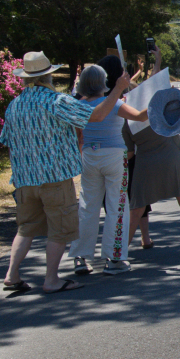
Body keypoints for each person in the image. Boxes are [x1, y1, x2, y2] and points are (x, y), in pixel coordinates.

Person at [0, 51, 130, 293]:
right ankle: (51, 279)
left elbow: (7, 141)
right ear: (48, 76)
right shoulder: (56, 101)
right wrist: (118, 89)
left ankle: (12, 274)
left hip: (24, 179)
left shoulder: (15, 105)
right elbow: (97, 115)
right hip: (54, 177)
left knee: (26, 228)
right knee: (59, 230)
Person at [68, 65, 148, 276]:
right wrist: (156, 102)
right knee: (117, 206)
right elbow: (140, 116)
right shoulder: (114, 103)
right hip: (114, 156)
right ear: (102, 83)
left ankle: (80, 256)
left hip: (89, 155)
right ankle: (114, 258)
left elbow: (78, 136)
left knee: (87, 205)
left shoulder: (79, 105)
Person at [123, 86, 180, 256]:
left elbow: (130, 153)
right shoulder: (162, 110)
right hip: (172, 160)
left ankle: (120, 253)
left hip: (145, 164)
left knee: (136, 210)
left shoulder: (127, 121)